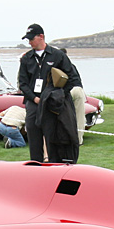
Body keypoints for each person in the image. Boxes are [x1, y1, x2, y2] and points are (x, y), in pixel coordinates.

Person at [18, 23, 80, 162]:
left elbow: (72, 78)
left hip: (51, 104)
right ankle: (35, 168)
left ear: (41, 37)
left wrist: (57, 96)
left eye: (31, 39)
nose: (29, 42)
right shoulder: (27, 58)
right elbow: (23, 83)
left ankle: (53, 167)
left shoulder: (57, 55)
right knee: (34, 139)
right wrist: (34, 99)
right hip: (33, 103)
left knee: (53, 138)